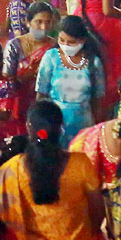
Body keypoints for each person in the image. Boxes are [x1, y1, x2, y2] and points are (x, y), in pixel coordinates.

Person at [0, 99, 105, 240]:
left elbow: (5, 224)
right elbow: (98, 214)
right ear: (61, 129)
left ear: (29, 127)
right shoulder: (81, 164)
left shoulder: (11, 171)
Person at [34, 14, 106, 148]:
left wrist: (97, 131)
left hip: (84, 125)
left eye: (71, 42)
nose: (65, 45)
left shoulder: (93, 63)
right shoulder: (51, 58)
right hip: (55, 124)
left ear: (83, 40)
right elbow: (41, 94)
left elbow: (98, 101)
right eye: (62, 40)